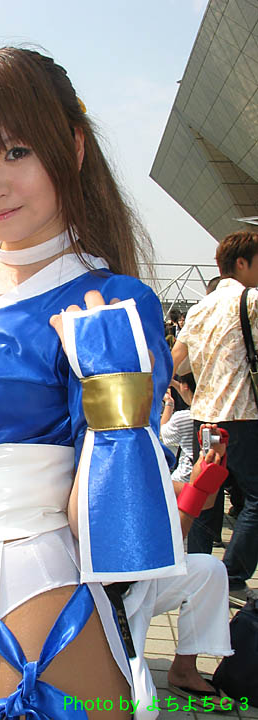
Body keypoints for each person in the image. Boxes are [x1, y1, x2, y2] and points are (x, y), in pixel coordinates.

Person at [0, 48, 183, 720]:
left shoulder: (108, 302)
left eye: (15, 151)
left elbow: (121, 532)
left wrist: (116, 406)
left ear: (72, 147)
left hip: (20, 594)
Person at [172, 230, 258, 606]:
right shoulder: (252, 301)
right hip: (242, 415)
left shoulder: (200, 308)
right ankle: (232, 575)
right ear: (242, 262)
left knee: (206, 492)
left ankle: (196, 574)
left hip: (203, 418)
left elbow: (176, 360)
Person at [123, 425, 231, 711]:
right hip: (101, 600)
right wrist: (197, 491)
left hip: (138, 584)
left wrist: (210, 465)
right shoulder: (94, 463)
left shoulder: (132, 454)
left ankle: (184, 670)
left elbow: (204, 500)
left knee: (208, 570)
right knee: (141, 708)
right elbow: (163, 552)